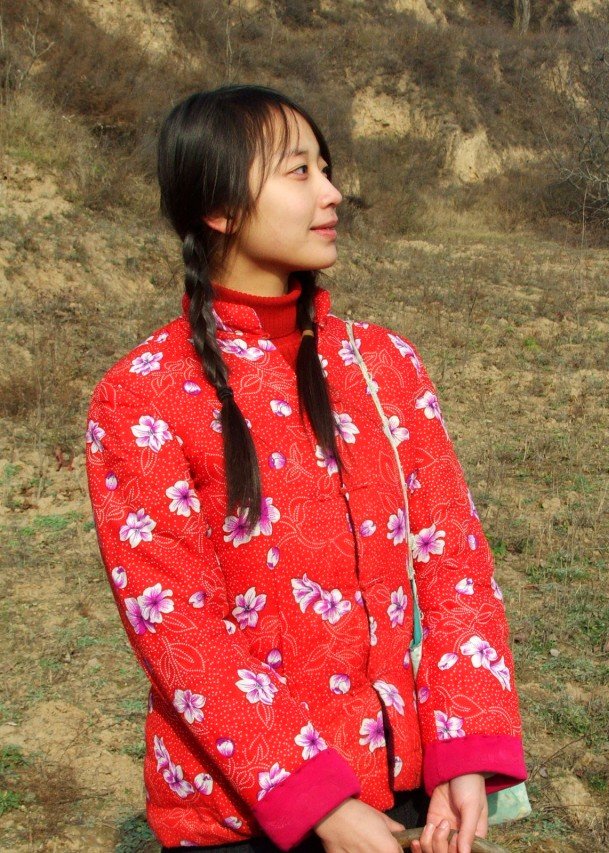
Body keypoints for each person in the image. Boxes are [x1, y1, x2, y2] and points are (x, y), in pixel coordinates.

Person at [84, 84, 527, 853]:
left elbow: (454, 564)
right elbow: (180, 627)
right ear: (219, 206)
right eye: (299, 172)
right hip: (245, 815)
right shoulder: (143, 395)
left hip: (406, 794)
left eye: (326, 168)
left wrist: (463, 748)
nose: (331, 193)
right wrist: (321, 802)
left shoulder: (384, 363)